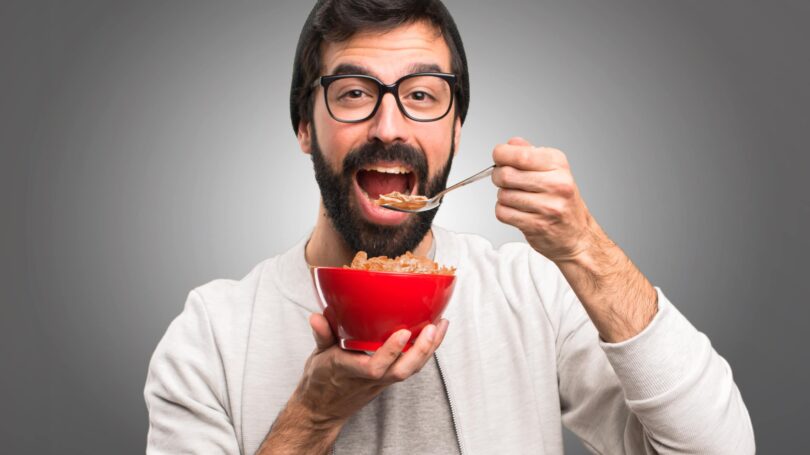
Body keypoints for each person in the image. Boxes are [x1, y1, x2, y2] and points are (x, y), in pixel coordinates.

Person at [144, 1, 755, 454]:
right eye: (355, 93)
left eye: (422, 94)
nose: (390, 126)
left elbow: (719, 447)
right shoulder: (212, 334)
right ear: (305, 126)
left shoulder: (531, 291)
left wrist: (585, 248)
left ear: (457, 128)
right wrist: (312, 415)